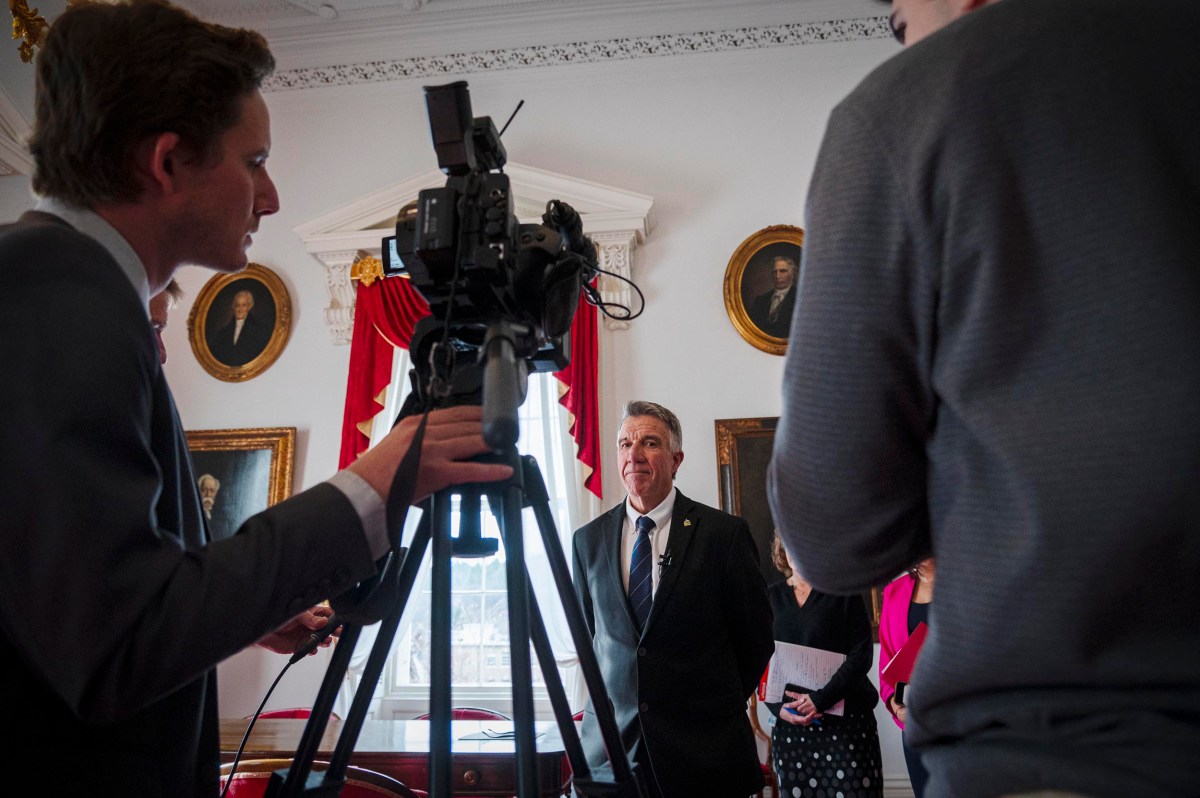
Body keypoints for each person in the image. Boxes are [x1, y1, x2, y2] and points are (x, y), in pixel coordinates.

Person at [0, 3, 512, 796]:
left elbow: (77, 598)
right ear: (168, 162)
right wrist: (372, 484)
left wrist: (238, 611)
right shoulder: (56, 295)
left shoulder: (62, 286)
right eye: (256, 162)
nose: (270, 197)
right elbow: (114, 649)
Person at [768, 0, 1200, 795]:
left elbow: (834, 533)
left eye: (900, 20)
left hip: (1064, 750)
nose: (905, 38)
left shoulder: (909, 109)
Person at [571, 400, 774, 798]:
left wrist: (710, 704)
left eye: (649, 443)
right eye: (625, 443)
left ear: (676, 459)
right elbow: (590, 636)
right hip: (613, 752)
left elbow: (755, 639)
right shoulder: (588, 541)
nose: (634, 454)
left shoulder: (723, 535)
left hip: (704, 752)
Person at [766, 533, 883, 798]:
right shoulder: (770, 597)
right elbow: (759, 658)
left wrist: (820, 700)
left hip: (848, 727)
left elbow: (861, 655)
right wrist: (776, 708)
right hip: (791, 729)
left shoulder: (844, 592)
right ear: (782, 549)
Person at [878, 558, 934, 797]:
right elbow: (886, 661)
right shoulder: (894, 591)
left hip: (960, 720)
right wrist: (894, 703)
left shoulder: (965, 584)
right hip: (913, 722)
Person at [208, 287, 271, 366]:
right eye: (237, 305)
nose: (240, 309)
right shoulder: (224, 332)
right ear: (234, 307)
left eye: (244, 305)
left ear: (249, 307)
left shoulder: (259, 330)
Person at [748, 255, 798, 338]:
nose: (778, 276)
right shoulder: (760, 301)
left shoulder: (800, 300)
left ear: (793, 274)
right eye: (775, 272)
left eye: (783, 271)